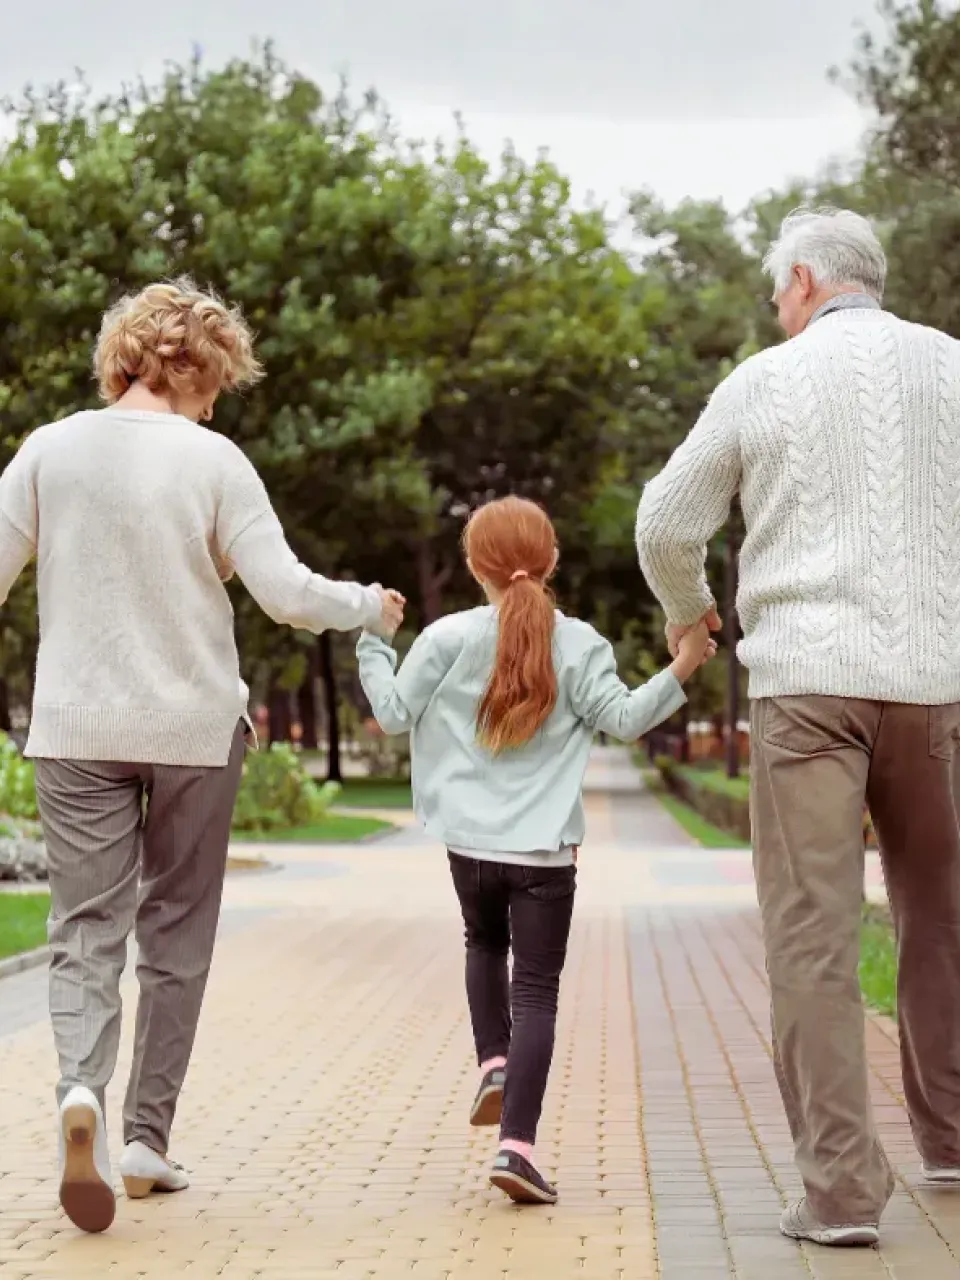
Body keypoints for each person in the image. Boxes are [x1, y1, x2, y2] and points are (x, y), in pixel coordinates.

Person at [0, 278, 405, 1234]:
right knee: (175, 935)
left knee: (84, 926)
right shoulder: (214, 460)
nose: (219, 402)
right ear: (196, 371)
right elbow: (286, 595)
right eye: (218, 380)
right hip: (191, 731)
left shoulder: (48, 452)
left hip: (76, 726)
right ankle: (145, 1138)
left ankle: (79, 1096)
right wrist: (368, 606)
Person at [635, 207, 960, 1248]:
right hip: (938, 682)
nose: (779, 308)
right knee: (944, 921)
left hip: (808, 688)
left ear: (808, 280)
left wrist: (687, 612)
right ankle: (951, 1139)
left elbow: (666, 520)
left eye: (780, 290)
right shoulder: (951, 366)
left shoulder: (763, 380)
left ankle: (839, 1195)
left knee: (812, 936)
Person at [357, 496, 714, 1204]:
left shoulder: (447, 637)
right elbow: (625, 719)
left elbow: (392, 714)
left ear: (472, 566)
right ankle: (515, 1148)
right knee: (538, 992)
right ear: (549, 561)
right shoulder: (579, 642)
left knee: (482, 945)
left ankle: (494, 1061)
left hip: (469, 847)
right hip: (544, 856)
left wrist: (372, 640)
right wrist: (687, 662)